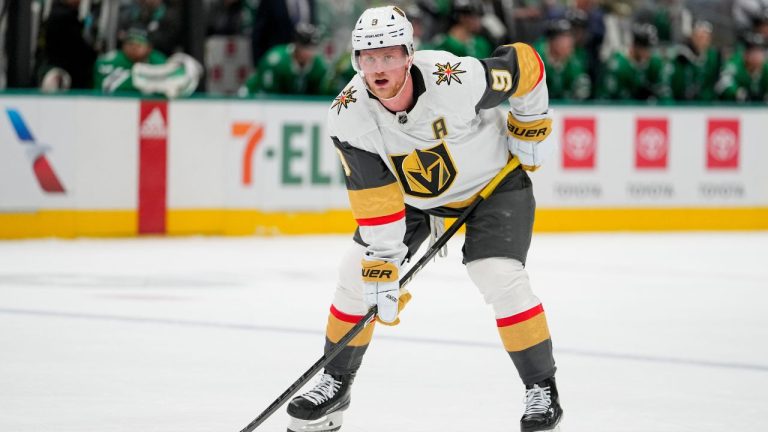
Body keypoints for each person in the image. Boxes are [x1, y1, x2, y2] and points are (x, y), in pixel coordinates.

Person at [285, 5, 562, 432]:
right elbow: (376, 198)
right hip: (414, 201)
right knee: (355, 276)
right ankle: (335, 383)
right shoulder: (349, 113)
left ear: (409, 54)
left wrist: (531, 121)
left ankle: (541, 388)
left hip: (492, 185)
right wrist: (381, 267)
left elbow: (525, 63)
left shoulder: (455, 77)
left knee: (497, 274)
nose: (378, 68)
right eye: (368, 58)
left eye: (389, 56)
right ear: (357, 60)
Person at [94, 28, 201, 97]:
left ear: (149, 48)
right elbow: (107, 86)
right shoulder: (110, 60)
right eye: (130, 43)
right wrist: (152, 81)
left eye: (139, 44)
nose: (134, 48)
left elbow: (174, 81)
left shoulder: (157, 59)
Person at [241, 23, 329, 95]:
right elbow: (268, 93)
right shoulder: (276, 60)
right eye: (305, 47)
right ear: (296, 44)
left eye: (313, 48)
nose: (309, 52)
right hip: (255, 97)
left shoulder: (319, 65)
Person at [597, 23, 672, 102]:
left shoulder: (654, 62)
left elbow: (664, 93)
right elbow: (605, 98)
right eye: (646, 48)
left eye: (651, 48)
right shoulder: (619, 65)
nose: (649, 53)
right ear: (636, 46)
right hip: (618, 109)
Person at [534, 18, 591, 100]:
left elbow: (580, 92)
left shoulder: (575, 60)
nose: (568, 43)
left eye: (570, 38)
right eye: (563, 38)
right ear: (551, 40)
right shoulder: (534, 57)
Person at [669, 20, 720, 101]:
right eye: (699, 37)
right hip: (684, 101)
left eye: (704, 37)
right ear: (693, 37)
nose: (702, 41)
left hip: (706, 101)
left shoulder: (714, 57)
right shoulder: (683, 54)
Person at [715, 32, 768, 102]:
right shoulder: (734, 64)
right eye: (753, 51)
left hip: (759, 109)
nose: (757, 56)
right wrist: (737, 92)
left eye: (760, 51)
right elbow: (723, 83)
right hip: (731, 107)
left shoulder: (765, 67)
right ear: (746, 53)